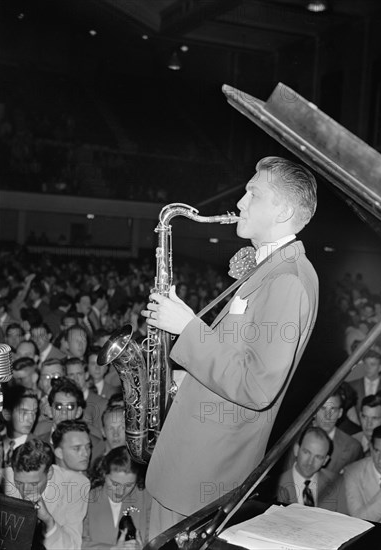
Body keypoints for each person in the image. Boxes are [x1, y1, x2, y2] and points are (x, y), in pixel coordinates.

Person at [142, 156, 319, 537]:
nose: (240, 202)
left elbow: (257, 384)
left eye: (253, 194)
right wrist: (183, 379)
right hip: (186, 470)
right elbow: (238, 357)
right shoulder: (273, 269)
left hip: (199, 477)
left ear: (284, 210)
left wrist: (187, 328)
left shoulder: (288, 280)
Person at [3, 438, 89, 549]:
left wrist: (48, 521)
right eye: (19, 482)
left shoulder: (76, 485)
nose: (25, 490)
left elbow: (73, 547)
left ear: (49, 473)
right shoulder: (3, 478)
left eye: (34, 484)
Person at [82, 446, 151, 548]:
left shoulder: (146, 497)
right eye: (115, 484)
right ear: (103, 474)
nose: (121, 491)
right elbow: (76, 542)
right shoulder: (87, 497)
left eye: (129, 485)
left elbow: (154, 539)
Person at [274, 427, 346, 512]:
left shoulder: (337, 483)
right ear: (296, 449)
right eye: (306, 452)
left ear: (325, 460)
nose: (310, 462)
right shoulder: (275, 484)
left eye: (318, 457)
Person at [343, 423, 381, 525]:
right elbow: (357, 521)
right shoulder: (352, 472)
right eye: (377, 451)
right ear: (371, 448)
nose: (380, 459)